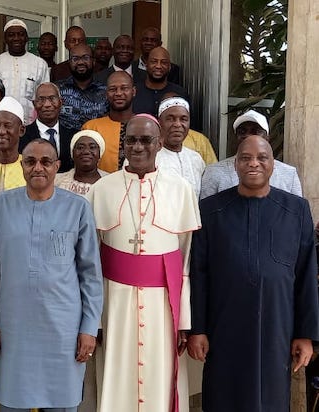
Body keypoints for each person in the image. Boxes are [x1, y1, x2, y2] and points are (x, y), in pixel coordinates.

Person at [188, 135, 319, 412]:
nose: (254, 164)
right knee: (223, 395)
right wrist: (197, 329)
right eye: (245, 158)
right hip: (223, 325)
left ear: (273, 164)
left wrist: (305, 335)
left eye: (262, 158)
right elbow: (199, 274)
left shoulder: (296, 210)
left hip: (278, 325)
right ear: (235, 165)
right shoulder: (212, 210)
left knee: (270, 398)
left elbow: (307, 275)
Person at [87, 114, 200, 412]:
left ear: (159, 143)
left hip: (164, 306)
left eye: (146, 140)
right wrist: (94, 318)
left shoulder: (181, 189)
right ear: (123, 144)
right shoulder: (102, 189)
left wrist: (185, 321)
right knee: (117, 374)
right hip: (114, 304)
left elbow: (187, 261)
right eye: (131, 140)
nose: (137, 147)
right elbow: (90, 262)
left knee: (160, 378)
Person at [0, 138, 103, 412]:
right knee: (13, 402)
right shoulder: (0, 207)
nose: (38, 168)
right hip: (14, 327)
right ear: (21, 165)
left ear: (57, 166)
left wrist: (88, 328)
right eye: (30, 161)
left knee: (62, 402)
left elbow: (91, 275)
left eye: (46, 162)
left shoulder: (78, 208)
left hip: (63, 328)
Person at [200, 109, 302, 199]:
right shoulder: (214, 172)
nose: (248, 136)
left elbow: (296, 213)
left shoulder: (288, 174)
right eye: (242, 131)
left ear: (267, 137)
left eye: (255, 131)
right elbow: (206, 213)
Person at [0, 19, 49, 125]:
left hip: (31, 124)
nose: (16, 38)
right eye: (11, 35)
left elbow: (45, 96)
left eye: (20, 34)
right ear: (5, 39)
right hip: (2, 124)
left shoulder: (40, 64)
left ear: (26, 38)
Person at [19, 82, 79, 172]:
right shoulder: (22, 136)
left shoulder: (74, 136)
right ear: (34, 104)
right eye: (41, 99)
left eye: (52, 99)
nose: (47, 104)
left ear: (60, 102)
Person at [82, 71, 135, 173]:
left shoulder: (146, 125)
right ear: (106, 94)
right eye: (113, 89)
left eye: (124, 88)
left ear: (133, 91)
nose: (118, 93)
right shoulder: (91, 128)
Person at [156, 97, 205, 197]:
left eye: (183, 119)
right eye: (170, 119)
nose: (177, 124)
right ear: (159, 123)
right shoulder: (149, 158)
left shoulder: (196, 158)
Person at [58, 43, 108, 130]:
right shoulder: (58, 90)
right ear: (69, 62)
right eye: (75, 59)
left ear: (93, 61)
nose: (80, 62)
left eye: (85, 58)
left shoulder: (105, 91)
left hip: (97, 141)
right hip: (65, 142)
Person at [132, 47, 189, 116]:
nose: (158, 66)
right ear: (146, 65)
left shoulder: (180, 93)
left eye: (164, 62)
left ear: (169, 67)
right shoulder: (134, 91)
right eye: (154, 61)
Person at [55, 130, 108, 196]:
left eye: (92, 147)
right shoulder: (56, 181)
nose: (86, 151)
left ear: (100, 153)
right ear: (72, 153)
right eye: (80, 147)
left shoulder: (111, 182)